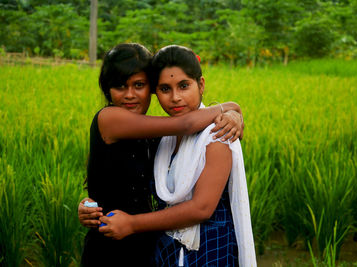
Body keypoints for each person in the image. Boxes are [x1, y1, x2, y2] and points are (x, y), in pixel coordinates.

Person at [78, 43, 244, 266]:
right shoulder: (109, 118)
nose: (129, 95)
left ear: (151, 88)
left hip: (149, 247)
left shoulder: (159, 137)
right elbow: (185, 124)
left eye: (139, 85)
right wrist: (231, 108)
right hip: (111, 244)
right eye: (119, 86)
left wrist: (233, 117)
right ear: (108, 90)